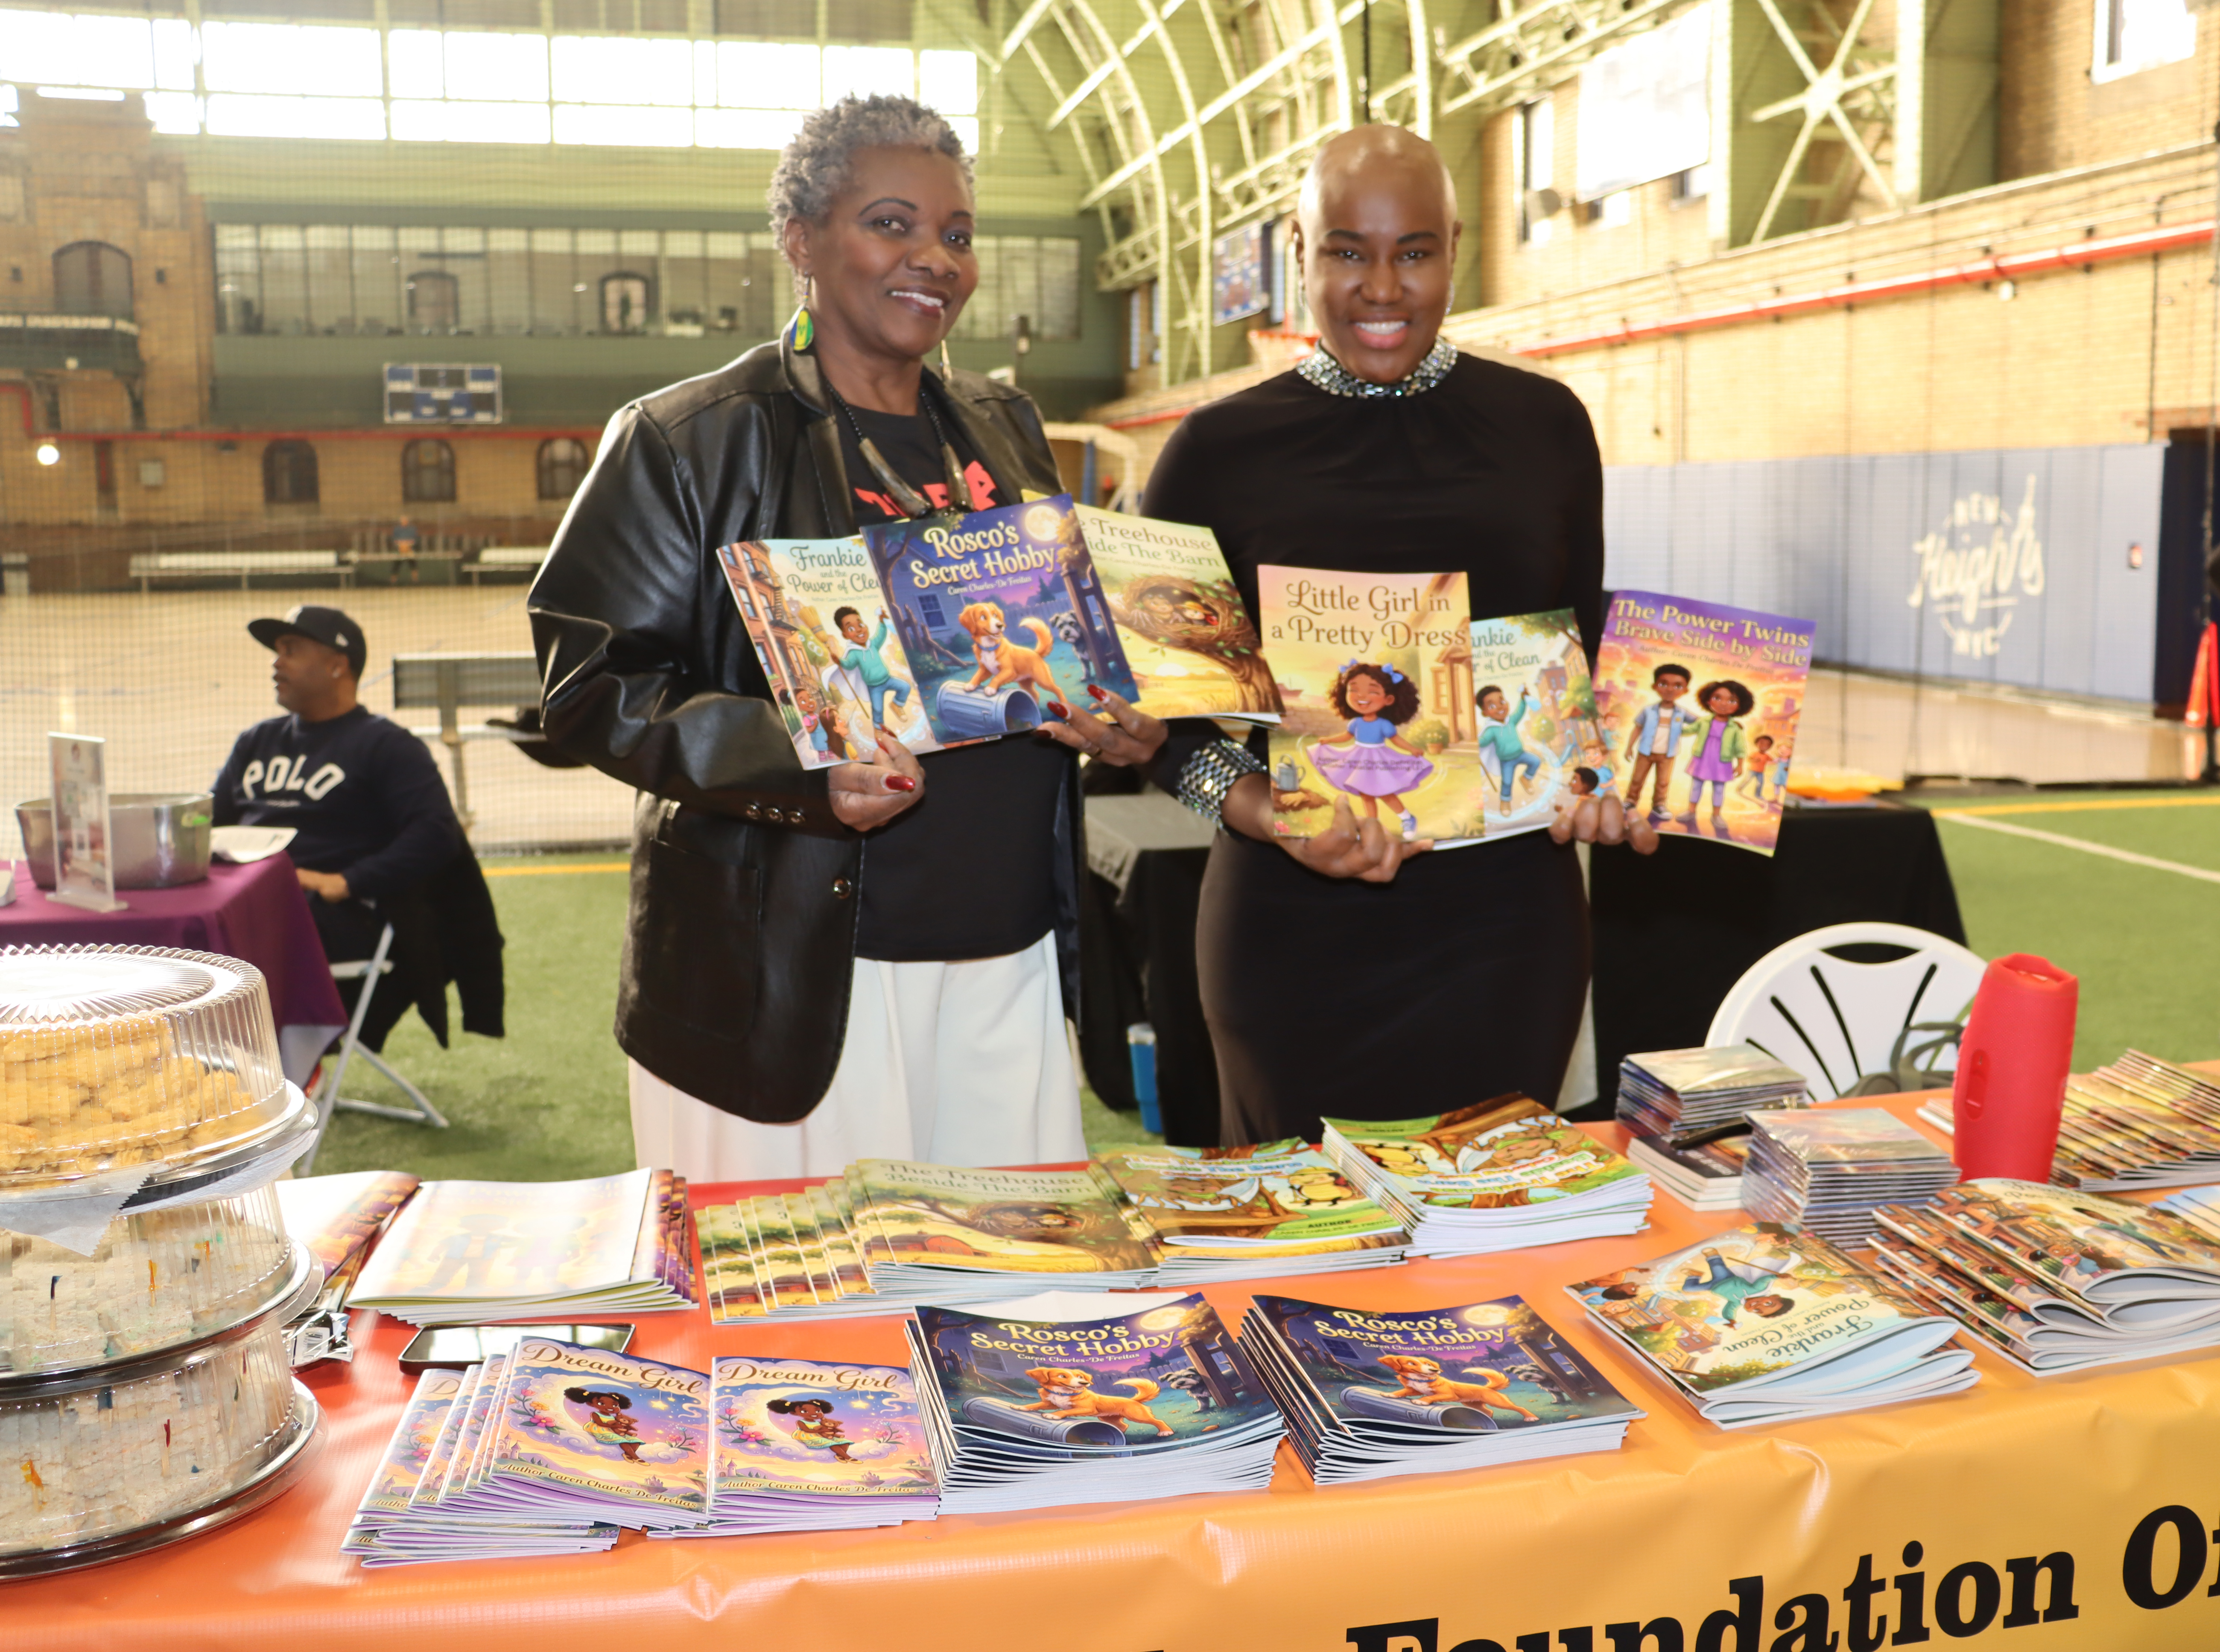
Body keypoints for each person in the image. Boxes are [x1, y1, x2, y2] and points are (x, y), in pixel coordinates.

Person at [530, 95, 1163, 1181]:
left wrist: (1104, 709)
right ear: (799, 240)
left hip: (1003, 956)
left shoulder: (1002, 426)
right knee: (808, 1336)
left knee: (1010, 1313)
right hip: (793, 976)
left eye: (955, 233)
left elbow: (1044, 643)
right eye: (890, 223)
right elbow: (592, 684)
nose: (934, 257)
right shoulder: (687, 440)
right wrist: (804, 767)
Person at [1142, 125, 1651, 1145]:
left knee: (1498, 1245)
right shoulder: (1211, 452)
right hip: (1287, 934)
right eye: (1346, 250)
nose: (1381, 286)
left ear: (1453, 251)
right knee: (1298, 1255)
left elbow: (1587, 668)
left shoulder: (1544, 426)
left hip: (1507, 935)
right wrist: (1259, 810)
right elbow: (1159, 730)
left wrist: (1615, 781)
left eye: (1412, 251)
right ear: (1299, 252)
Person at [211, 604, 462, 966]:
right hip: (243, 901)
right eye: (277, 651)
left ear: (337, 665)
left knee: (217, 946)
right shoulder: (256, 741)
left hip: (328, 916)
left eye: (291, 650)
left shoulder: (386, 745)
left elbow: (436, 834)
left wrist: (347, 881)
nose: (276, 663)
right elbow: (210, 825)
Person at [1622, 663, 1698, 824]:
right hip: (1646, 752)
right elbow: (1637, 728)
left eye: (1678, 686)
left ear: (1685, 691)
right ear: (1655, 686)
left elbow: (1699, 723)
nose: (1670, 690)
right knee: (1637, 778)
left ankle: (1659, 805)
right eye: (1664, 684)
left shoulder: (1682, 713)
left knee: (1663, 782)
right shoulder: (1648, 711)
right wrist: (1629, 747)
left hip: (1668, 754)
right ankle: (1630, 801)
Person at [390, 514, 420, 585]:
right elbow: (395, 540)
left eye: (406, 521)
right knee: (396, 565)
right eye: (403, 521)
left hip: (410, 550)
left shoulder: (412, 529)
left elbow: (415, 540)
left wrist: (408, 545)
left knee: (413, 564)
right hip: (400, 550)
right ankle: (393, 582)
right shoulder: (397, 530)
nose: (404, 522)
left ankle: (415, 581)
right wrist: (401, 545)